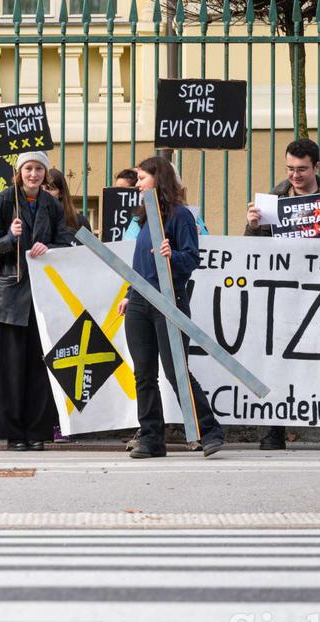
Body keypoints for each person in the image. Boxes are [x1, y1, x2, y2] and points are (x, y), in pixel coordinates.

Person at [245, 138, 320, 452]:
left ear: (316, 167)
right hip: (284, 294)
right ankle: (274, 430)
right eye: (290, 169)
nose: (294, 175)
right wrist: (254, 225)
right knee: (278, 360)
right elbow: (252, 247)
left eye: (301, 169)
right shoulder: (274, 197)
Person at [115, 156, 226, 459]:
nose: (137, 184)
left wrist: (172, 256)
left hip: (170, 300)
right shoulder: (146, 218)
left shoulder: (181, 217)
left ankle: (209, 430)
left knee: (176, 369)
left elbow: (191, 259)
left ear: (158, 178)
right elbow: (141, 265)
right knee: (144, 374)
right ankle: (151, 438)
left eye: (141, 178)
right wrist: (130, 292)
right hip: (140, 301)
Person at [0, 151, 75, 451]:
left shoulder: (51, 204)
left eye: (38, 169)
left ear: (45, 174)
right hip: (9, 301)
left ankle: (37, 432)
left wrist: (50, 247)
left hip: (42, 297)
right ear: (19, 172)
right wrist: (10, 237)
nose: (33, 174)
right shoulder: (5, 200)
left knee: (38, 369)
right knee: (10, 370)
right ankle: (14, 434)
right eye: (28, 169)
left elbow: (64, 241)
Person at [43, 168, 87, 443]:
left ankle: (67, 423)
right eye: (44, 187)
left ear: (61, 191)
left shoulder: (77, 220)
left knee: (68, 363)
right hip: (42, 300)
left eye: (52, 187)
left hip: (70, 300)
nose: (47, 191)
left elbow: (89, 258)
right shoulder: (31, 216)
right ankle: (46, 422)